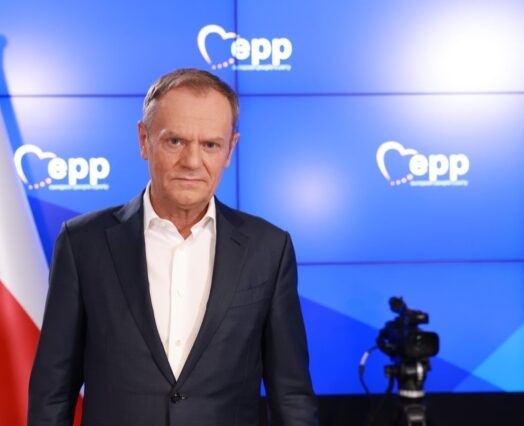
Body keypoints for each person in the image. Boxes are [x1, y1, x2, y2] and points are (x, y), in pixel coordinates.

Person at [28, 68, 318, 426]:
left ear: (230, 149)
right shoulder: (82, 243)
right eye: (175, 141)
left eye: (210, 145)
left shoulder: (269, 249)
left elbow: (291, 396)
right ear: (144, 140)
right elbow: (53, 392)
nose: (192, 162)